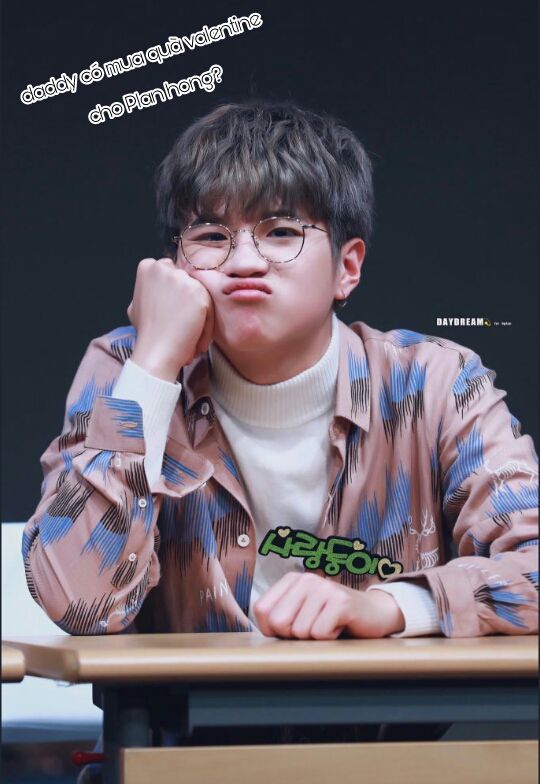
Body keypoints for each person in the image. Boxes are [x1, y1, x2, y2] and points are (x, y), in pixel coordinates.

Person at [22, 101, 538, 763]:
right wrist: (153, 365)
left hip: (393, 770)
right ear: (174, 266)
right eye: (211, 237)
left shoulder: (436, 385)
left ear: (348, 267)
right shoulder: (126, 370)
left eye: (281, 231)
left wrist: (396, 605)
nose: (244, 261)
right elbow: (80, 603)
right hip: (182, 769)